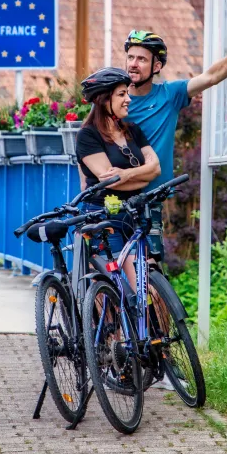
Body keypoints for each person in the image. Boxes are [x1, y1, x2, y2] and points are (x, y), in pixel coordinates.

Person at [121, 25, 227, 257]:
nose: (133, 63)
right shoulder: (115, 99)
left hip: (149, 196)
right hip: (114, 193)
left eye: (141, 59)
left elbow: (210, 77)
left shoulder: (170, 95)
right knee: (106, 267)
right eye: (130, 57)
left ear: (156, 66)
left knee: (150, 268)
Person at [75, 67, 160, 291]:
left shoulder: (133, 130)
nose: (128, 99)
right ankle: (112, 326)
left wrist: (126, 174)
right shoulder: (88, 135)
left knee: (146, 287)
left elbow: (155, 169)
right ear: (104, 100)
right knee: (113, 287)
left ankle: (147, 327)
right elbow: (109, 181)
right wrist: (140, 175)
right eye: (122, 94)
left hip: (134, 213)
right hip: (104, 215)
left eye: (127, 93)